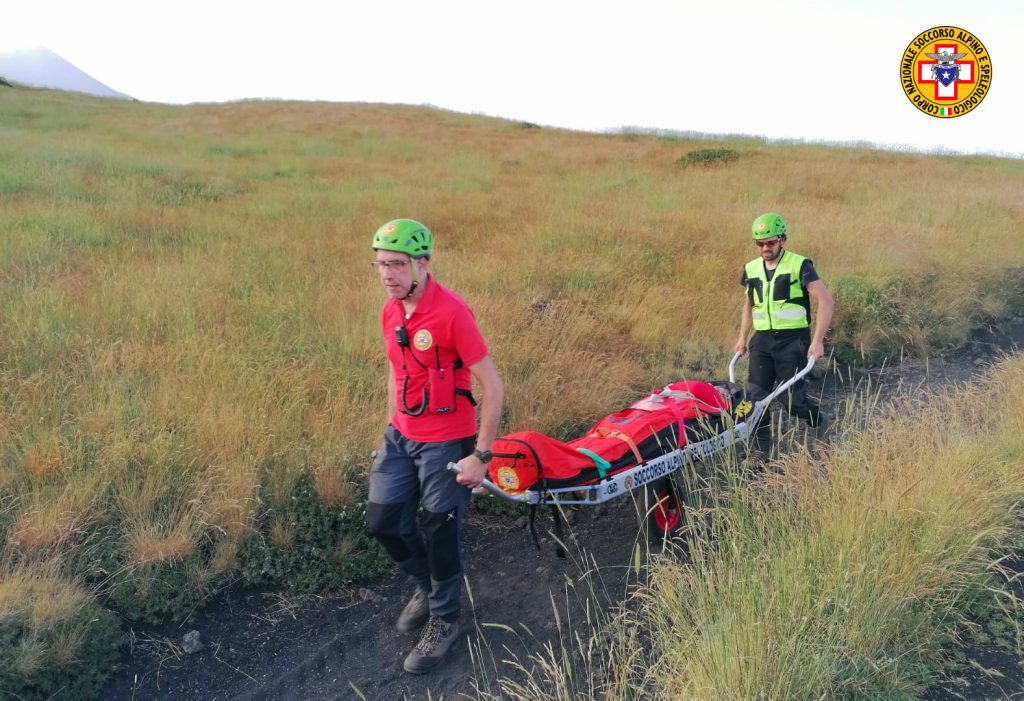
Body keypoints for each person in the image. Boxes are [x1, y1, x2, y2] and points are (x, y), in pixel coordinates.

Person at [366, 218, 504, 674]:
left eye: (397, 265)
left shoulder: (451, 312)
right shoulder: (390, 310)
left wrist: (480, 456)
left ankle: (445, 620)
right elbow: (396, 370)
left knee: (439, 529)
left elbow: (493, 386)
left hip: (448, 439)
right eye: (382, 265)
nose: (388, 274)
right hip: (402, 436)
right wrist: (391, 429)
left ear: (422, 264)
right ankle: (428, 588)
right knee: (384, 522)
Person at [733, 213, 835, 455]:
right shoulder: (751, 269)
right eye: (760, 244)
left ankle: (819, 420)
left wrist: (818, 341)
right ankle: (762, 451)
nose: (765, 248)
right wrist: (742, 338)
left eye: (770, 242)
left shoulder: (800, 265)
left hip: (793, 341)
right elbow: (750, 305)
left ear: (782, 239)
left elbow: (826, 301)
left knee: (791, 402)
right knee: (755, 399)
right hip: (762, 341)